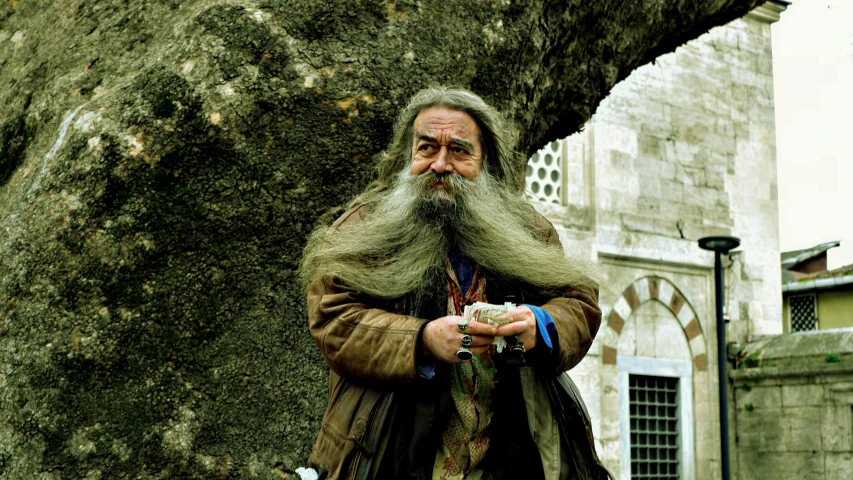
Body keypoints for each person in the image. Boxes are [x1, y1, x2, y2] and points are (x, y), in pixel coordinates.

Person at [299, 86, 611, 480]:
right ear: (406, 156)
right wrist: (422, 339)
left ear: (487, 164)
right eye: (427, 148)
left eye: (460, 151)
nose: (440, 164)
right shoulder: (364, 227)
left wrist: (540, 325)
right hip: (387, 461)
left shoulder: (529, 231)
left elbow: (578, 303)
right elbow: (333, 319)